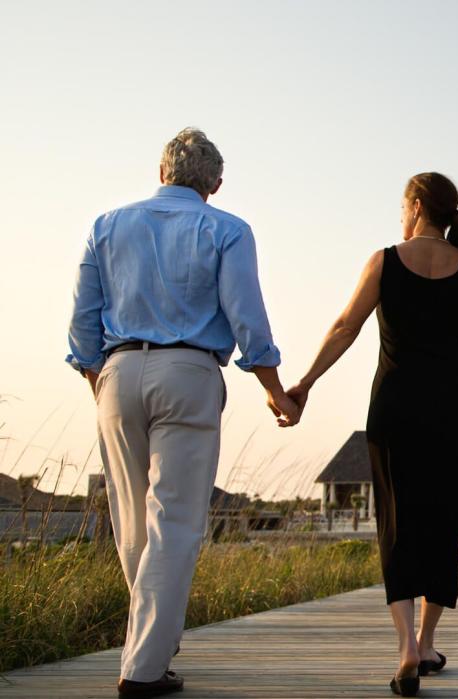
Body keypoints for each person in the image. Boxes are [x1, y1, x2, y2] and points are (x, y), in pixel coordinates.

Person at [66, 128, 300, 698]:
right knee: (174, 523)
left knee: (131, 521)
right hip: (190, 373)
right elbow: (247, 317)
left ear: (162, 171)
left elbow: (82, 323)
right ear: (215, 184)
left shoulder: (106, 225)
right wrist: (275, 389)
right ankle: (144, 668)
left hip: (117, 373)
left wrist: (103, 382)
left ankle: (153, 646)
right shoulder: (226, 229)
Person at [287, 172, 458, 697]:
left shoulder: (384, 260)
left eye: (401, 206)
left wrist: (305, 383)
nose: (399, 215)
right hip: (454, 406)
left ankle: (406, 649)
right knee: (443, 519)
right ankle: (428, 639)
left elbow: (346, 326)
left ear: (415, 206)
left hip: (395, 404)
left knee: (396, 519)